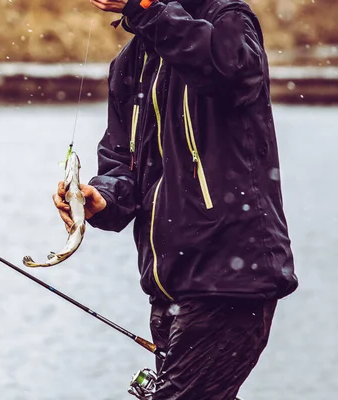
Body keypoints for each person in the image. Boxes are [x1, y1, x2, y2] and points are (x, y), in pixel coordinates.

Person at [53, 0, 298, 398]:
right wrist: (100, 197)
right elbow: (122, 166)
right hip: (169, 290)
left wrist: (146, 9)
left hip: (232, 282)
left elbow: (227, 71)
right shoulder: (131, 64)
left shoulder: (228, 22)